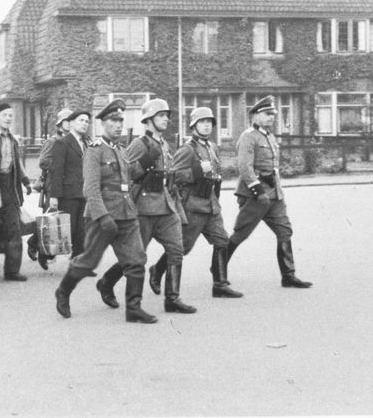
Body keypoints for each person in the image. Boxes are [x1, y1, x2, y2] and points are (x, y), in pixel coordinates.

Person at [54, 99, 156, 324]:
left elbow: (129, 176)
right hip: (103, 216)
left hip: (127, 214)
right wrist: (102, 216)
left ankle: (134, 308)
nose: (118, 125)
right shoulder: (94, 151)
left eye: (121, 120)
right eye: (113, 120)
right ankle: (63, 291)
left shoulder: (120, 150)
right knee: (88, 261)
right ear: (102, 124)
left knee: (136, 259)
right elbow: (90, 188)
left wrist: (146, 163)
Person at [98, 98, 197, 314]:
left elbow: (168, 177)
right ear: (149, 119)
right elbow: (125, 172)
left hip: (166, 207)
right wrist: (145, 162)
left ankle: (172, 298)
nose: (165, 119)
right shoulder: (139, 144)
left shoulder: (165, 144)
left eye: (166, 116)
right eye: (161, 116)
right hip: (143, 208)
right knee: (135, 256)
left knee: (176, 250)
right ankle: (106, 281)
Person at [227, 95, 312, 289]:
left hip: (275, 194)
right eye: (267, 114)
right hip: (257, 195)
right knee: (241, 234)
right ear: (255, 116)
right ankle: (218, 269)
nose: (271, 118)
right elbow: (244, 167)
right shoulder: (248, 136)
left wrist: (276, 191)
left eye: (273, 115)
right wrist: (258, 191)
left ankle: (288, 276)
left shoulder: (269, 136)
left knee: (285, 231)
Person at [172, 107, 242, 298]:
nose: (206, 125)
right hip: (193, 206)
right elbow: (174, 175)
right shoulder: (187, 149)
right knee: (182, 247)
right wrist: (194, 174)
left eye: (209, 122)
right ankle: (157, 271)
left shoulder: (212, 147)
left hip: (210, 204)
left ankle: (220, 285)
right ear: (193, 125)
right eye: (202, 122)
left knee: (222, 241)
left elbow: (215, 172)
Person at [0, 103, 32, 282]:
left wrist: (25, 182)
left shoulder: (13, 140)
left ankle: (12, 271)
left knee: (14, 230)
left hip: (10, 187)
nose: (8, 118)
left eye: (11, 115)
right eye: (4, 115)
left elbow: (17, 164)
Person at [27, 108, 72, 269]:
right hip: (53, 185)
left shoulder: (74, 141)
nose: (70, 124)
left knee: (65, 219)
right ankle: (37, 246)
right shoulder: (53, 141)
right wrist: (61, 165)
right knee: (50, 219)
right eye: (67, 121)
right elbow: (43, 161)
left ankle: (44, 248)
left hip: (69, 186)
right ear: (60, 125)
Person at [48, 109, 91, 259]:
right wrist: (54, 196)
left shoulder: (87, 143)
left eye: (87, 121)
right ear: (71, 123)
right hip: (68, 194)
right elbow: (57, 170)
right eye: (81, 120)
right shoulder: (62, 143)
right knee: (68, 229)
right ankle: (43, 251)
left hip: (84, 192)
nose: (84, 123)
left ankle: (77, 259)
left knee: (82, 230)